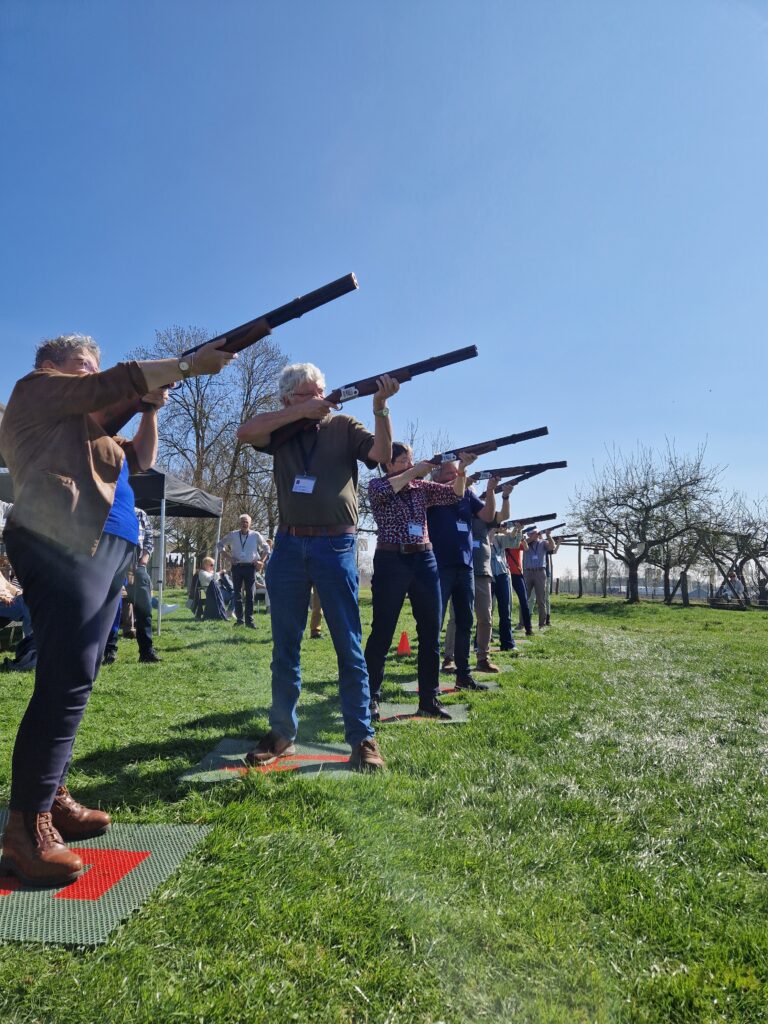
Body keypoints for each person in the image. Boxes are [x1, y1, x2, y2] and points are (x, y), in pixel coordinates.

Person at [0, 331, 234, 885]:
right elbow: (106, 387)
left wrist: (148, 406)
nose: (89, 375)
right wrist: (184, 365)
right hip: (61, 537)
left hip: (111, 545)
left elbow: (142, 461)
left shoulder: (89, 431)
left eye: (93, 368)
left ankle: (51, 797)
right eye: (80, 367)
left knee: (76, 679)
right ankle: (24, 829)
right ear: (52, 367)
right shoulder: (34, 391)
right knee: (63, 680)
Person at [236, 362, 398, 771]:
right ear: (290, 398)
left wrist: (381, 408)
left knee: (348, 645)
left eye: (324, 391)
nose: (323, 399)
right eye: (312, 393)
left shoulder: (344, 424)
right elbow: (246, 432)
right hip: (289, 544)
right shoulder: (281, 426)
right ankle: (282, 733)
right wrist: (300, 413)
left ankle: (362, 738)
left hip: (337, 543)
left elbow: (380, 454)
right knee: (285, 647)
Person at [364, 442, 468, 720]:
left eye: (412, 461)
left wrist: (463, 470)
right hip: (391, 561)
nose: (411, 466)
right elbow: (387, 489)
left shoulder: (423, 488)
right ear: (389, 463)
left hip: (425, 560)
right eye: (405, 462)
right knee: (382, 632)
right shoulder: (377, 486)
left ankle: (429, 699)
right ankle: (370, 697)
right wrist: (419, 469)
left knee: (430, 633)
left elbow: (455, 495)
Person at [427, 461, 497, 690]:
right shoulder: (432, 492)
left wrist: (492, 490)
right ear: (436, 476)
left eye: (457, 473)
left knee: (465, 622)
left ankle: (463, 675)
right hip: (439, 565)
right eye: (449, 473)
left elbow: (488, 515)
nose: (454, 477)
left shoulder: (467, 494)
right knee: (434, 622)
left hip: (465, 567)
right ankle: (430, 680)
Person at [444, 480, 512, 673]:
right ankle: (449, 657)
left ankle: (483, 657)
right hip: (462, 568)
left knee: (486, 617)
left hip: (482, 571)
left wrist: (505, 496)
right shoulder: (456, 512)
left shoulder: (484, 515)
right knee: (456, 618)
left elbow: (504, 515)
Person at [216, 514, 269, 628]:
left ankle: (249, 621)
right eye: (242, 522)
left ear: (250, 523)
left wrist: (261, 561)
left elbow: (266, 548)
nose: (244, 524)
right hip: (237, 567)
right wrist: (229, 558)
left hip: (250, 567)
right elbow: (220, 545)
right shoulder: (233, 535)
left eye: (246, 522)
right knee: (237, 594)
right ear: (239, 523)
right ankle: (240, 620)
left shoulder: (256, 535)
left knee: (250, 595)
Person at [523, 527, 556, 629]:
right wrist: (530, 538)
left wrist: (549, 535)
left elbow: (552, 547)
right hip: (528, 572)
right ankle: (522, 623)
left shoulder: (543, 543)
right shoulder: (525, 542)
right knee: (524, 599)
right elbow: (521, 545)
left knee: (541, 600)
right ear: (529, 535)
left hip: (540, 572)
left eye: (535, 533)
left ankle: (542, 624)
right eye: (532, 533)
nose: (535, 535)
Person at [505, 525, 532, 636]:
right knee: (502, 603)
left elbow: (526, 548)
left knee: (524, 601)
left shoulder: (516, 541)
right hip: (504, 574)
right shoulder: (501, 541)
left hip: (516, 573)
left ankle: (528, 628)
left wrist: (521, 536)